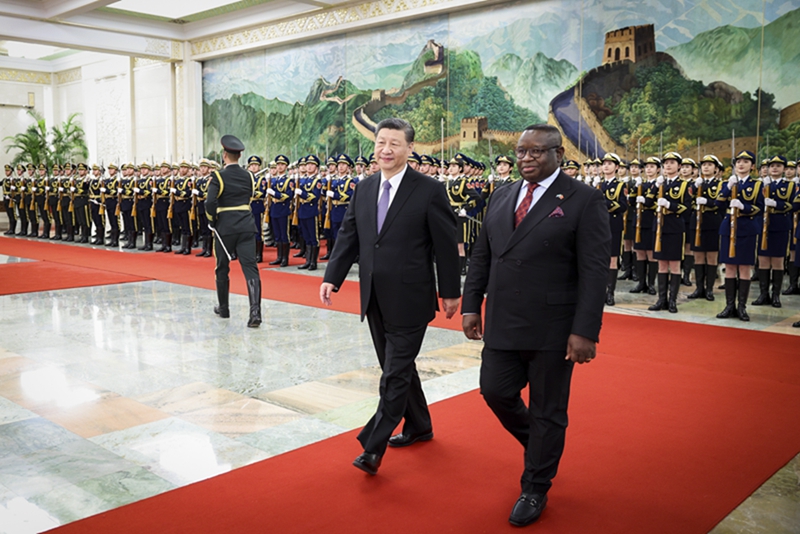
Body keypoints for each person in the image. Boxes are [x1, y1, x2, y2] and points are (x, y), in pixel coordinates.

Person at [462, 124, 609, 527]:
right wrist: (472, 304)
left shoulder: (584, 199)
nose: (526, 158)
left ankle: (535, 485)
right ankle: (542, 444)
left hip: (553, 325)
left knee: (548, 409)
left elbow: (594, 271)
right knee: (494, 390)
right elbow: (482, 255)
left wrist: (585, 330)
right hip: (503, 319)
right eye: (521, 152)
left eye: (536, 152)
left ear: (558, 154)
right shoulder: (503, 195)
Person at [319, 117, 461, 476]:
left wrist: (450, 292)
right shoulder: (365, 187)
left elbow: (446, 246)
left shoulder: (429, 190)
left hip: (411, 297)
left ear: (409, 148)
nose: (386, 149)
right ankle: (420, 424)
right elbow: (349, 235)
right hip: (374, 296)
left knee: (394, 374)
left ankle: (373, 445)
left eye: (394, 143)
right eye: (381, 142)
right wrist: (332, 277)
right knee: (396, 367)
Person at [205, 135, 263, 328]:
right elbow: (249, 197)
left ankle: (224, 308)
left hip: (225, 228)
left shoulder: (218, 176)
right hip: (246, 226)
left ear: (224, 155)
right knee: (251, 268)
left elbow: (210, 202)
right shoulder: (250, 176)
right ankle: (255, 312)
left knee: (222, 267)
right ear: (239, 156)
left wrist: (212, 220)